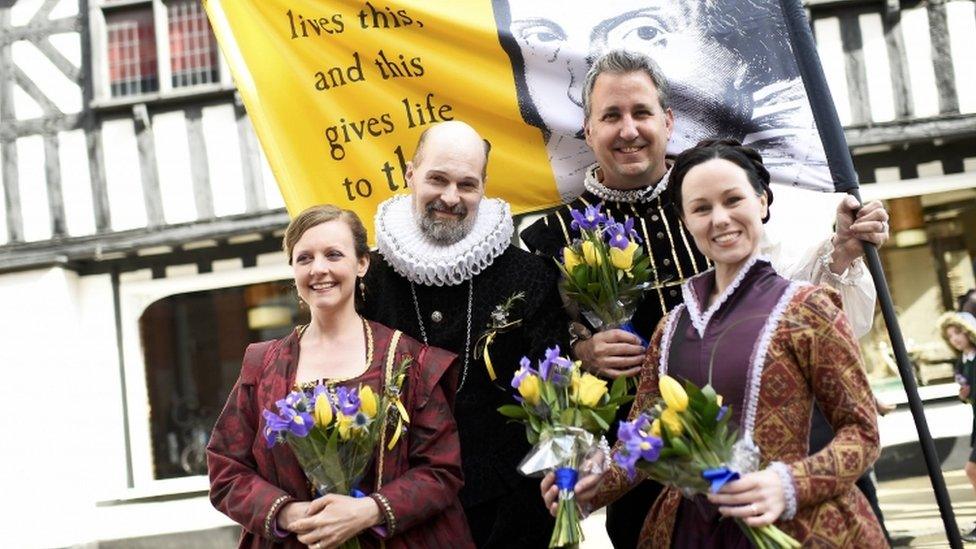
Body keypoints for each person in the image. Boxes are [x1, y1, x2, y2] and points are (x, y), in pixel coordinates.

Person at [520, 48, 888, 548]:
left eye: (733, 201)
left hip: (806, 516)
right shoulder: (669, 329)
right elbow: (644, 440)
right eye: (701, 209)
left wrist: (785, 485)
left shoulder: (807, 306)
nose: (719, 220)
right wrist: (588, 486)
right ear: (685, 220)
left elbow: (861, 433)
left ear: (762, 203)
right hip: (692, 523)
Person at [207, 205, 473, 548]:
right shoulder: (263, 366)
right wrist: (289, 514)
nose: (319, 269)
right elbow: (226, 469)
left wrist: (369, 511)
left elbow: (441, 470)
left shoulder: (408, 360)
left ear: (361, 263)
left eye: (333, 254)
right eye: (304, 258)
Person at [361, 121, 569, 547]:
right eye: (437, 179)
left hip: (512, 515)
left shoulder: (528, 275)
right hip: (398, 516)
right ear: (410, 175)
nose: (451, 197)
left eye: (467, 184)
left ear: (484, 187)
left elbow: (557, 404)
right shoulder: (368, 278)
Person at [491, 0, 830, 198]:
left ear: (668, 121)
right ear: (588, 130)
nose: (628, 131)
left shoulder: (733, 208)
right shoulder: (555, 243)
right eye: (543, 41)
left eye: (645, 32)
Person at [939, 311, 976, 542]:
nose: (955, 339)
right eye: (950, 336)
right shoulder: (961, 362)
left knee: (972, 470)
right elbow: (967, 393)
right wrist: (964, 395)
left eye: (958, 332)